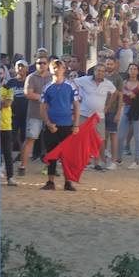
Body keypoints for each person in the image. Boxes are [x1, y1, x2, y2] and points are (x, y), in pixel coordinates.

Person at [39, 58, 80, 192]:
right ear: (50, 70)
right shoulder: (47, 88)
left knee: (67, 155)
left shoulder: (70, 86)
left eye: (59, 67)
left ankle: (68, 182)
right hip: (52, 125)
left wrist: (76, 125)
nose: (56, 69)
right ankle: (50, 182)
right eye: (54, 67)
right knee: (51, 154)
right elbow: (43, 107)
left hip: (66, 125)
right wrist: (48, 123)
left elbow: (76, 105)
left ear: (64, 69)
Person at [72, 62, 118, 171]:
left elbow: (115, 93)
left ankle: (97, 162)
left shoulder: (107, 83)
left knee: (98, 140)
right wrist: (77, 95)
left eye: (103, 71)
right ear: (94, 71)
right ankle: (82, 161)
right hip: (84, 114)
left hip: (99, 116)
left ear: (105, 73)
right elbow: (72, 82)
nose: (100, 73)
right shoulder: (85, 79)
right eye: (98, 70)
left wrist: (108, 106)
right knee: (81, 139)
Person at [21, 55, 52, 176]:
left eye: (44, 63)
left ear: (48, 64)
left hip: (50, 114)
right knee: (30, 139)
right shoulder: (31, 77)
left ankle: (50, 166)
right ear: (36, 64)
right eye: (39, 63)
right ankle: (23, 166)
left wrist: (40, 97)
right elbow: (28, 94)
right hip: (35, 114)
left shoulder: (52, 77)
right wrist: (45, 98)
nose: (42, 65)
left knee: (51, 141)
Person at [117, 62, 139, 168]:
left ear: (138, 71)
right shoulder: (124, 82)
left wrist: (135, 96)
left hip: (138, 110)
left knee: (137, 136)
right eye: (131, 69)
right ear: (128, 70)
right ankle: (119, 158)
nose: (132, 71)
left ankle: (136, 161)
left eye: (135, 69)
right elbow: (121, 97)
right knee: (120, 135)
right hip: (126, 108)